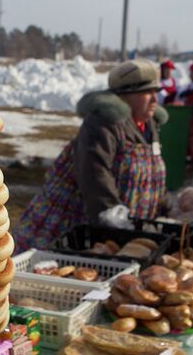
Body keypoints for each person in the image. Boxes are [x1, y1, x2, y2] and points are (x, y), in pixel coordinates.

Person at [13, 59, 168, 251]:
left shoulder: (149, 125)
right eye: (147, 92)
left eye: (156, 92)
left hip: (125, 227)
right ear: (124, 96)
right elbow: (95, 172)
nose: (155, 99)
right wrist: (112, 213)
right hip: (82, 224)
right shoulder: (104, 122)